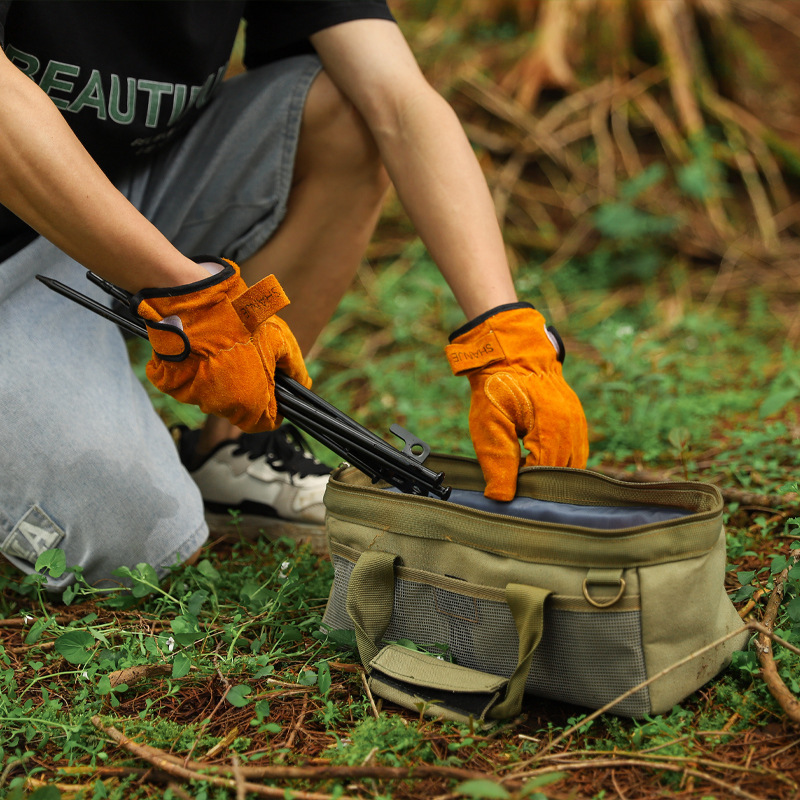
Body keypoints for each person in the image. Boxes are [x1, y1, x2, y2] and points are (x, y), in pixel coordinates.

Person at [0, 0, 588, 592]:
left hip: (128, 185)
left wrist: (503, 329)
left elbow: (400, 102)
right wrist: (186, 292)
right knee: (136, 548)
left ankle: (237, 453)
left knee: (348, 109)